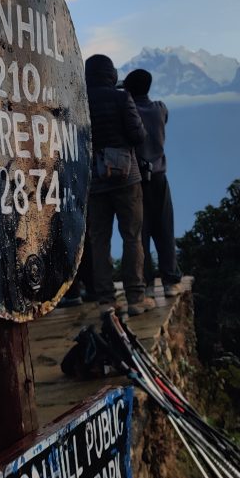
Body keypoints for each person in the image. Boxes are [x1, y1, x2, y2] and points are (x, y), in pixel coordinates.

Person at [85, 54, 155, 316]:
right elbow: (138, 135)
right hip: (127, 178)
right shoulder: (121, 97)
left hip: (95, 181)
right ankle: (136, 297)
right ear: (110, 74)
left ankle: (105, 300)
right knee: (132, 236)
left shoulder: (79, 100)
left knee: (99, 240)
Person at [123, 68, 183, 298]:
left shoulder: (128, 111)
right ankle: (170, 279)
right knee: (165, 228)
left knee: (141, 231)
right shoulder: (160, 109)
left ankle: (146, 282)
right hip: (159, 177)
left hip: (136, 179)